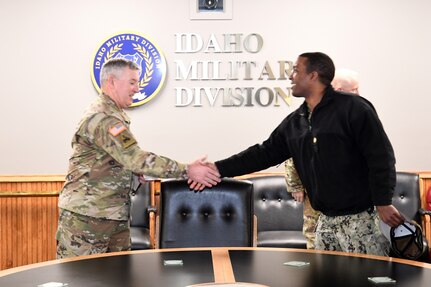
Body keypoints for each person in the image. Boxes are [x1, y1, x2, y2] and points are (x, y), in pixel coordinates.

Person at [195, 52, 405, 256]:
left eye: (296, 70)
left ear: (313, 75)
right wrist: (218, 168)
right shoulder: (297, 122)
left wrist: (383, 202)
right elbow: (263, 153)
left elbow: (381, 157)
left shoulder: (355, 108)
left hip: (362, 221)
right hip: (324, 223)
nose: (290, 76)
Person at [56, 58, 220, 258]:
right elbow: (134, 157)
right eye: (132, 82)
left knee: (117, 278)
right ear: (112, 82)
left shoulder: (113, 115)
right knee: (80, 279)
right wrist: (187, 170)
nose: (137, 88)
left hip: (111, 215)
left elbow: (119, 161)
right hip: (88, 219)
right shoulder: (103, 118)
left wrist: (133, 174)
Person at [285, 68, 361, 249]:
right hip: (316, 190)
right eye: (355, 89)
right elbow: (293, 150)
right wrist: (295, 185)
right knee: (315, 235)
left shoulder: (358, 113)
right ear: (340, 90)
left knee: (350, 240)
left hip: (348, 192)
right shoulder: (312, 113)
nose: (359, 93)